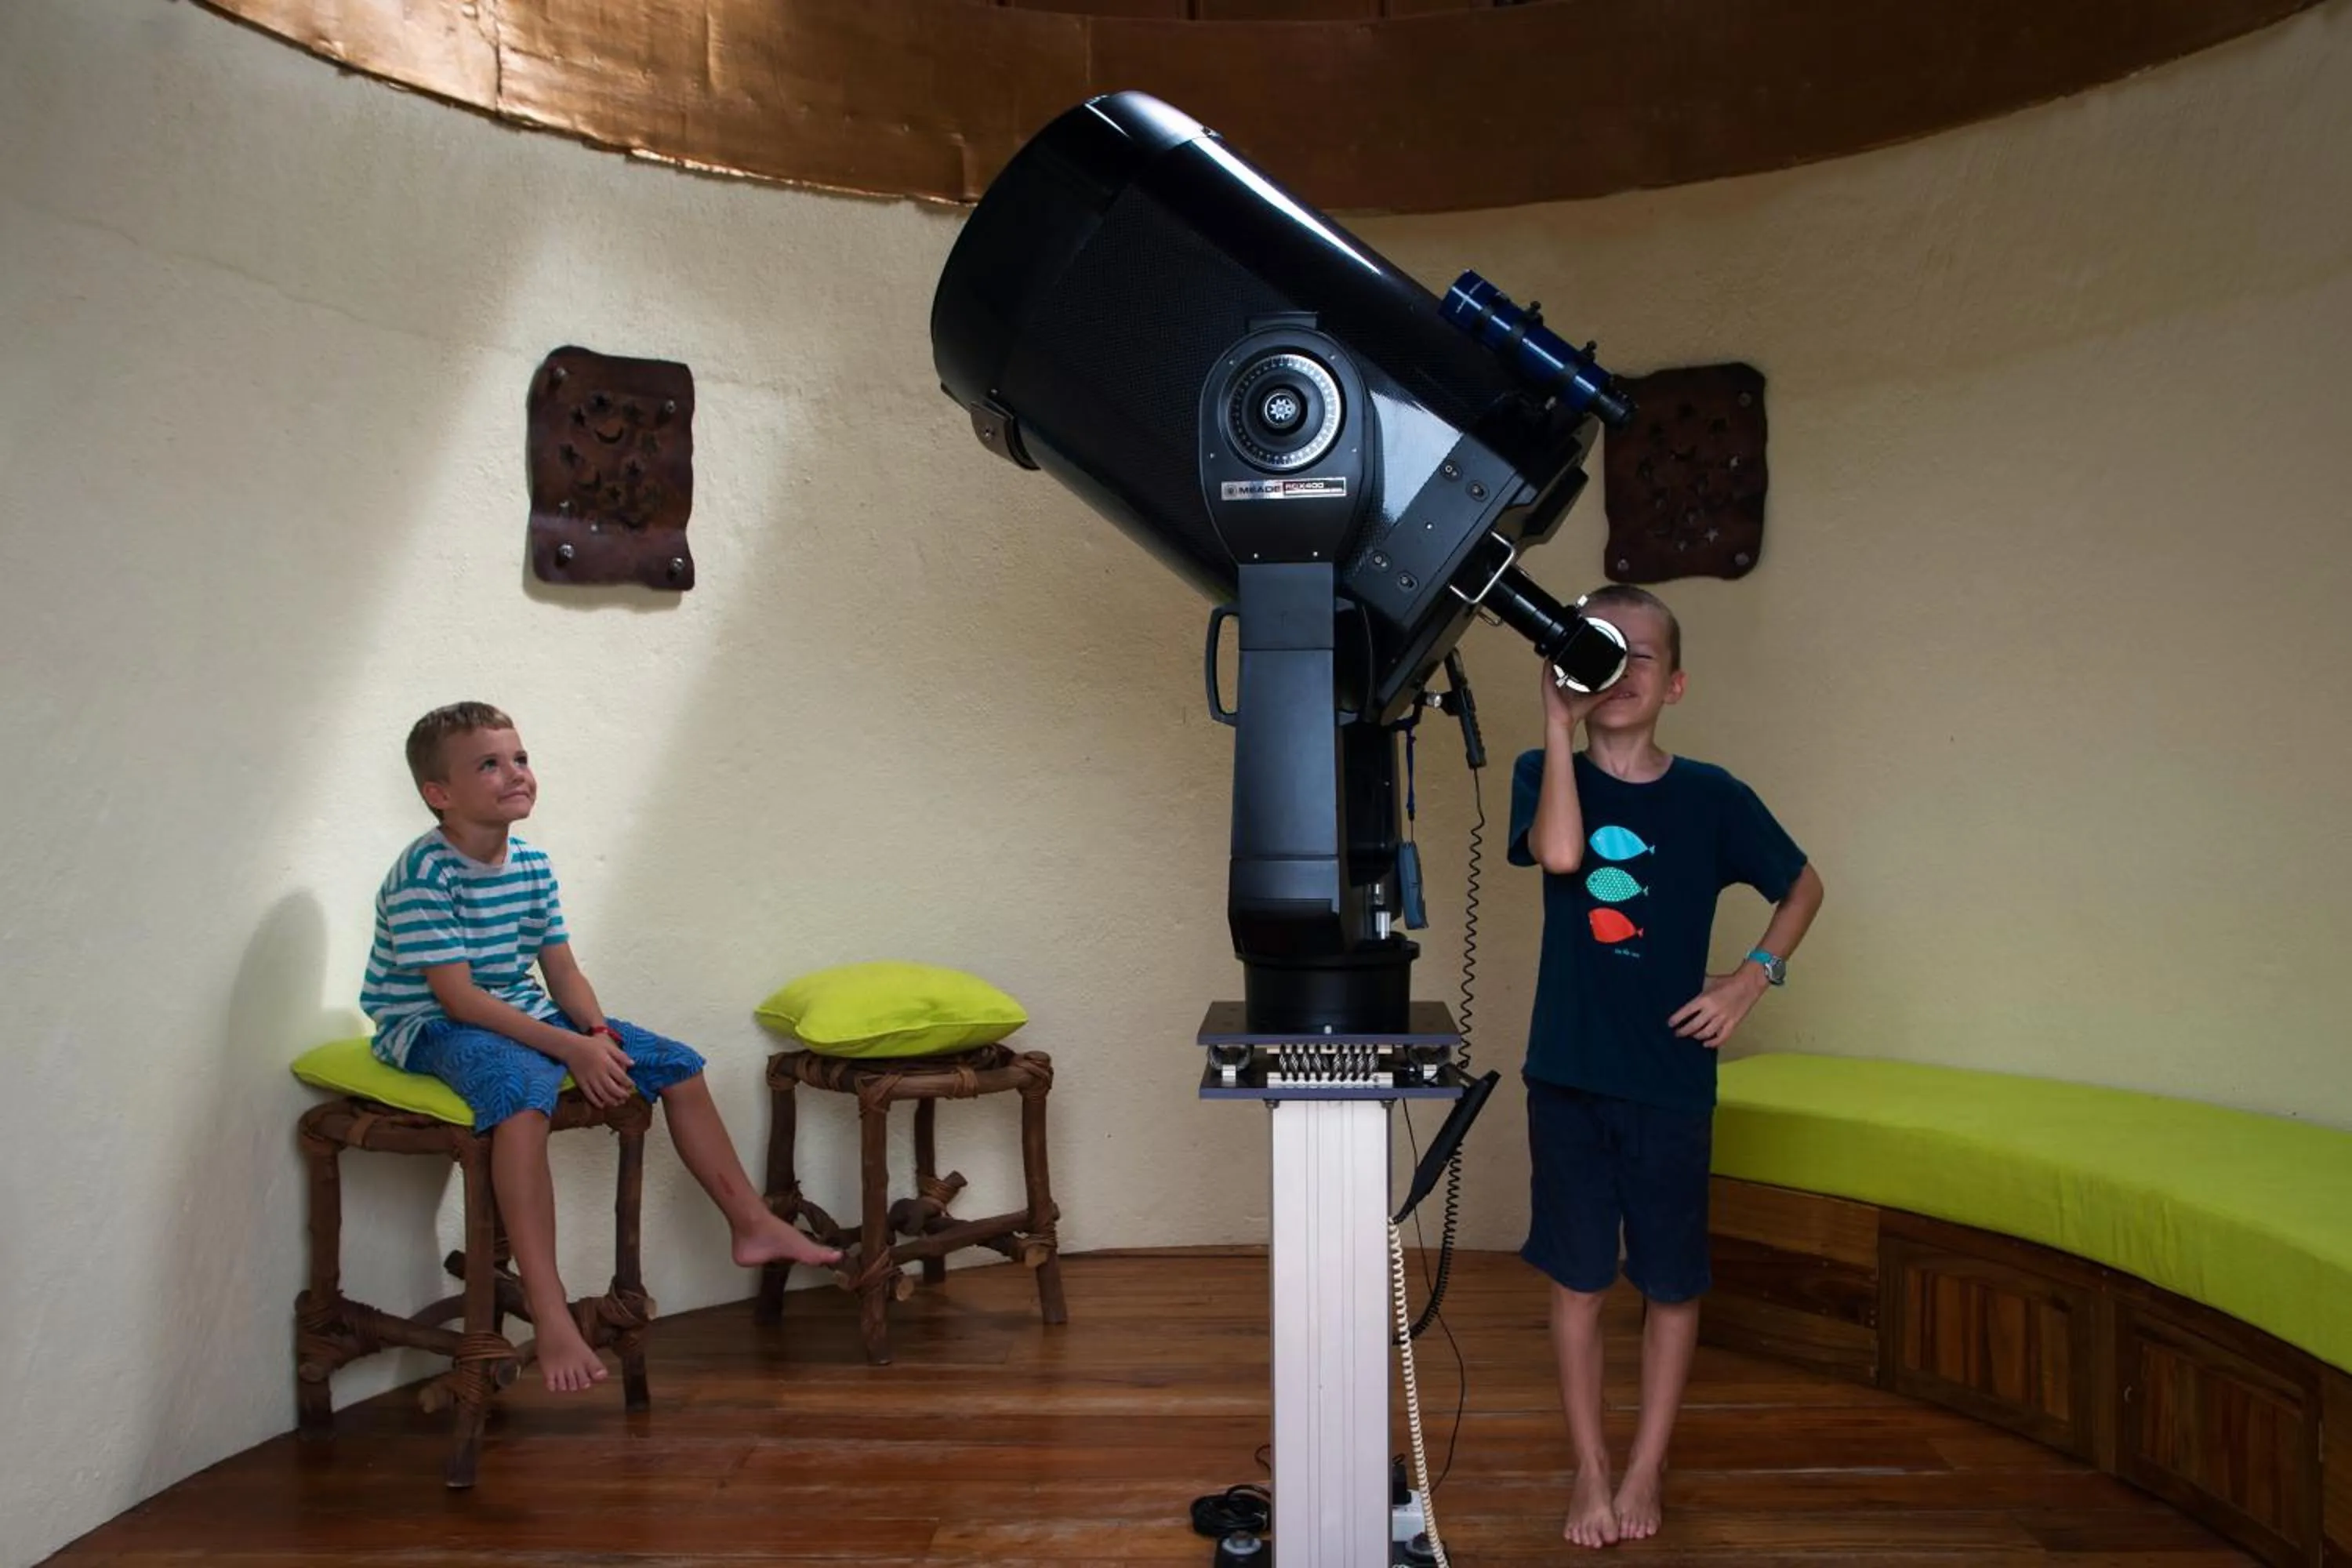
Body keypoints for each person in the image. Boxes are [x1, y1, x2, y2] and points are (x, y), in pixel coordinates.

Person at [360, 701, 840, 1392]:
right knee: (520, 1094)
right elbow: (459, 1000)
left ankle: (752, 1222)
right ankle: (550, 1314)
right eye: (488, 765)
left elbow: (561, 971)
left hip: (517, 1007)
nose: (515, 773)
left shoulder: (530, 862)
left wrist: (593, 1035)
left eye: (519, 759)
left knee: (677, 1065)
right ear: (440, 794)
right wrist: (564, 1048)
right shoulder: (424, 875)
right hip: (429, 1023)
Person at [1506, 586, 1824, 1548]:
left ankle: (1646, 1464)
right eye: (1605, 649)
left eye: (1643, 656)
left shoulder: (1713, 796)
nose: (1624, 669)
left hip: (1671, 1079)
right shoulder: (1543, 767)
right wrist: (1558, 721)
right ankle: (1591, 1468)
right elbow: (1561, 852)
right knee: (1578, 1281)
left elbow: (1803, 882)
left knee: (1672, 1282)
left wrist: (1750, 977)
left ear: (1675, 683)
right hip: (1567, 1072)